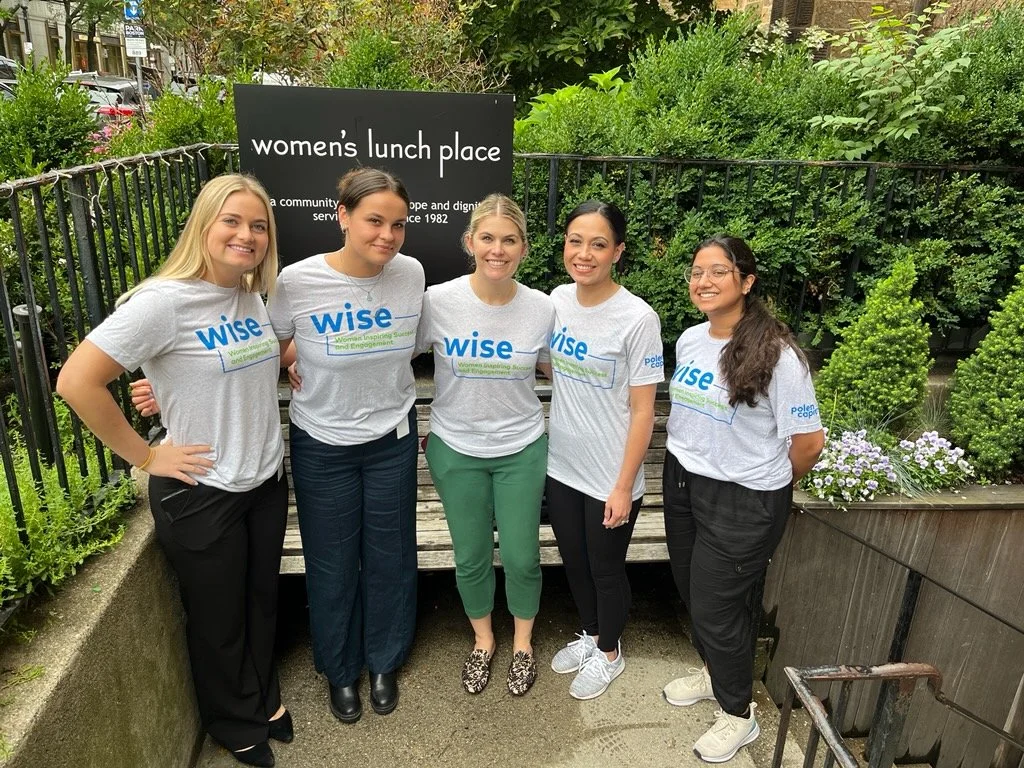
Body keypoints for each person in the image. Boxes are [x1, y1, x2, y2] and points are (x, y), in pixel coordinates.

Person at [56, 174, 292, 768]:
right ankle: (232, 721)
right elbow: (76, 381)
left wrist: (164, 389)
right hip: (201, 491)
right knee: (218, 619)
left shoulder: (245, 295)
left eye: (258, 226)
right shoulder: (162, 301)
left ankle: (261, 699)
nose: (247, 235)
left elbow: (227, 368)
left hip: (263, 479)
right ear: (203, 226)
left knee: (260, 600)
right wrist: (145, 454)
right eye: (232, 222)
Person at [660, 235, 824, 763]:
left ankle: (738, 714)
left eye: (717, 272)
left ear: (746, 282)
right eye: (696, 272)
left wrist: (763, 483)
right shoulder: (690, 339)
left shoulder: (778, 355)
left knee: (714, 608)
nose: (702, 282)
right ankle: (716, 675)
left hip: (745, 498)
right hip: (684, 479)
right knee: (696, 593)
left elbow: (808, 443)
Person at [274, 167, 423, 723]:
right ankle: (340, 670)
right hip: (323, 443)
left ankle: (384, 661)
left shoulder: (410, 273)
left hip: (392, 439)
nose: (387, 235)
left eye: (398, 225)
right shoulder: (296, 280)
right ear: (343, 217)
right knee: (332, 563)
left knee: (390, 556)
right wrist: (297, 362)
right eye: (374, 221)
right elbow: (272, 342)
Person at [417, 194, 554, 696]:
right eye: (488, 238)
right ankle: (483, 640)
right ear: (470, 241)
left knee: (521, 556)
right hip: (456, 449)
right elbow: (390, 351)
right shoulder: (438, 300)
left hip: (520, 447)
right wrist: (297, 359)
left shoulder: (542, 308)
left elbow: (564, 368)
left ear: (523, 248)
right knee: (471, 555)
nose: (498, 249)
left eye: (510, 240)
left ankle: (522, 644)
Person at [545, 200, 665, 700]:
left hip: (610, 477)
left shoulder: (638, 318)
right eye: (576, 241)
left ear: (618, 251)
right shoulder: (556, 299)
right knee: (574, 561)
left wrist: (622, 486)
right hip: (563, 465)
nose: (584, 253)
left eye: (598, 244)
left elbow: (644, 411)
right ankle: (592, 635)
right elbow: (552, 367)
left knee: (605, 568)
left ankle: (611, 652)